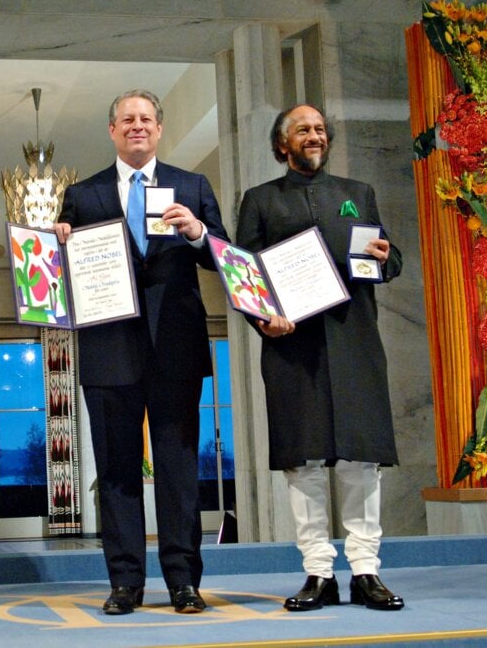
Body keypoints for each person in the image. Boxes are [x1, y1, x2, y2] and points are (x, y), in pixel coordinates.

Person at [54, 89, 228, 615]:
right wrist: (57, 244)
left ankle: (183, 582)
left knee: (177, 472)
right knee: (117, 472)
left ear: (159, 129)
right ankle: (125, 583)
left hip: (175, 349)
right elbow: (59, 276)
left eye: (146, 119)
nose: (136, 126)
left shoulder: (192, 185)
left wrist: (198, 231)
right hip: (109, 352)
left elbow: (224, 256)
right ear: (111, 130)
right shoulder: (82, 196)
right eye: (126, 119)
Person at [235, 104, 405, 612]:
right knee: (303, 462)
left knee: (360, 461)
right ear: (282, 144)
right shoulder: (260, 201)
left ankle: (367, 572)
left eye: (320, 130)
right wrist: (264, 319)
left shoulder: (358, 195)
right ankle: (318, 573)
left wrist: (385, 258)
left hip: (354, 343)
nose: (315, 136)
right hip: (293, 348)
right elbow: (244, 277)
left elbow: (390, 258)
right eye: (303, 130)